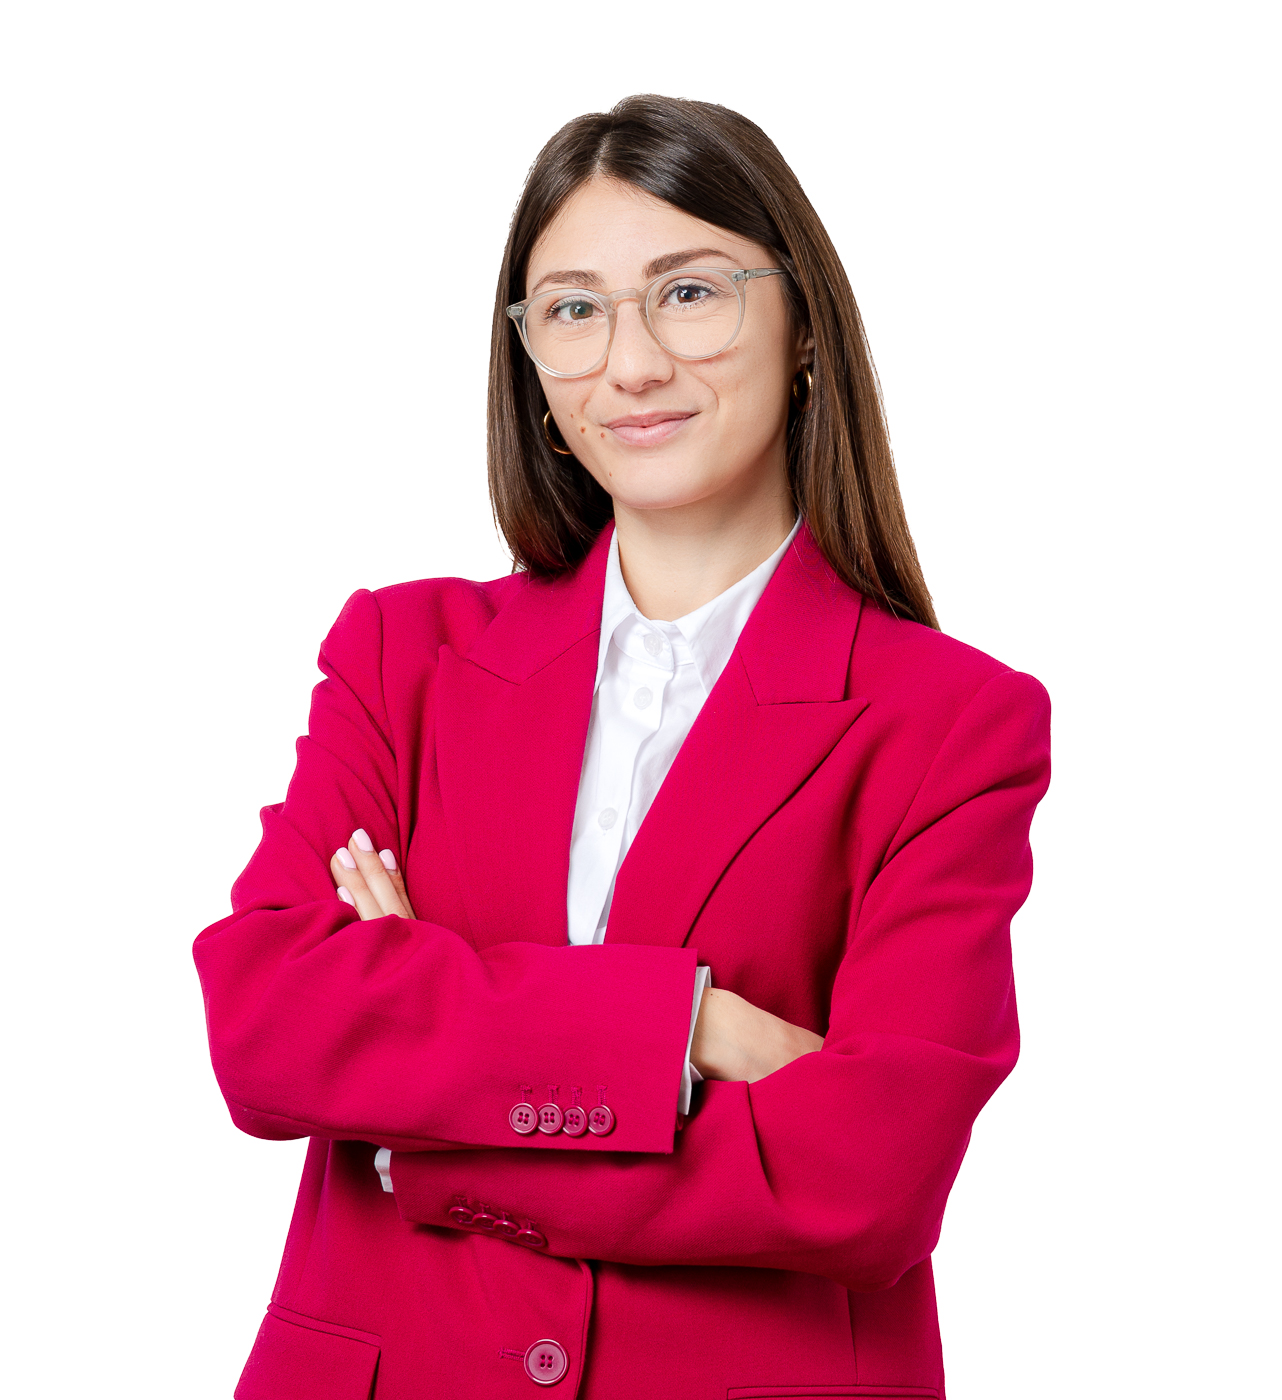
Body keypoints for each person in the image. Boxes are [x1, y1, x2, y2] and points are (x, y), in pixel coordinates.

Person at [195, 94, 1051, 1400]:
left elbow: (870, 1179)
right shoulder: (402, 655)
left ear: (804, 330)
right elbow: (268, 1025)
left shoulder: (951, 723)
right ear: (532, 365)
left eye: (689, 293)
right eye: (573, 309)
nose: (631, 363)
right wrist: (690, 1028)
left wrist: (433, 1093)